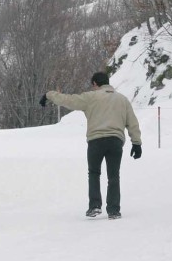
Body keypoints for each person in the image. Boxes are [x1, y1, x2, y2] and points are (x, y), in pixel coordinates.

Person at [40, 71, 142, 220]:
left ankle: (95, 206)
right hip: (115, 141)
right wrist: (136, 143)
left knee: (94, 173)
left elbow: (68, 100)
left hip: (96, 141)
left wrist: (49, 95)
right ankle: (114, 210)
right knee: (114, 176)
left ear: (95, 83)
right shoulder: (122, 100)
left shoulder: (91, 97)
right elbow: (132, 122)